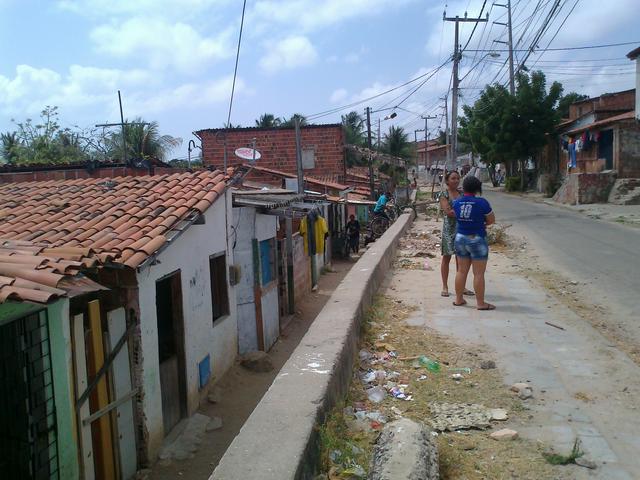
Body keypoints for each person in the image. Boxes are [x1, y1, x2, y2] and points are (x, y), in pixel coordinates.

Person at [452, 176, 496, 310]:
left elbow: (457, 217)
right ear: (477, 188)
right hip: (477, 238)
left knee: (461, 271)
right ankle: (480, 303)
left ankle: (459, 299)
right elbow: (491, 220)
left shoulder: (456, 202)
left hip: (460, 238)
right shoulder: (482, 202)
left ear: (463, 188)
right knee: (478, 274)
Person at [438, 171, 473, 297]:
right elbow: (449, 212)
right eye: (453, 178)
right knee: (446, 257)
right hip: (449, 230)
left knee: (461, 259)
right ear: (447, 181)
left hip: (462, 229)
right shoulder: (443, 194)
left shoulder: (463, 194)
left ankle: (462, 286)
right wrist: (464, 212)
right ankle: (445, 286)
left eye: (458, 178)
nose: (456, 180)